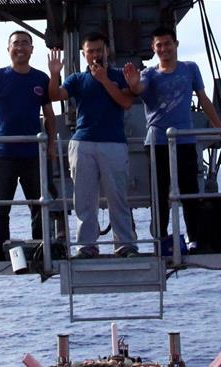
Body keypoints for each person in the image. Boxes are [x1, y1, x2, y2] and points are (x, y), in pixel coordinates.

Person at [123, 26, 221, 247]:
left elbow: (204, 99)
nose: (164, 49)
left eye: (167, 44)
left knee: (190, 190)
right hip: (157, 142)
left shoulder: (190, 69)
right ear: (153, 48)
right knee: (159, 193)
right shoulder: (149, 74)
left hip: (186, 140)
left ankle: (195, 238)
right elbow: (140, 88)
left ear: (176, 45)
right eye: (159, 45)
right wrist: (133, 84)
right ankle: (161, 238)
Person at [47, 33, 139, 258]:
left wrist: (105, 80)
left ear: (106, 51)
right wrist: (54, 74)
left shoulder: (119, 76)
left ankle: (125, 245)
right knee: (84, 199)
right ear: (84, 54)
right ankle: (86, 247)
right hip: (83, 143)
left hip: (114, 143)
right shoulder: (77, 79)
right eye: (91, 51)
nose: (96, 55)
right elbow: (55, 95)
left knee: (117, 197)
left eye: (99, 50)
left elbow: (126, 102)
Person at [0, 31, 61, 244]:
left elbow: (49, 115)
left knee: (39, 205)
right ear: (8, 49)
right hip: (3, 154)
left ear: (32, 49)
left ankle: (42, 247)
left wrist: (52, 145)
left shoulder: (40, 78)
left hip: (33, 154)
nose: (20, 47)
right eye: (16, 43)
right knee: (0, 207)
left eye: (25, 43)